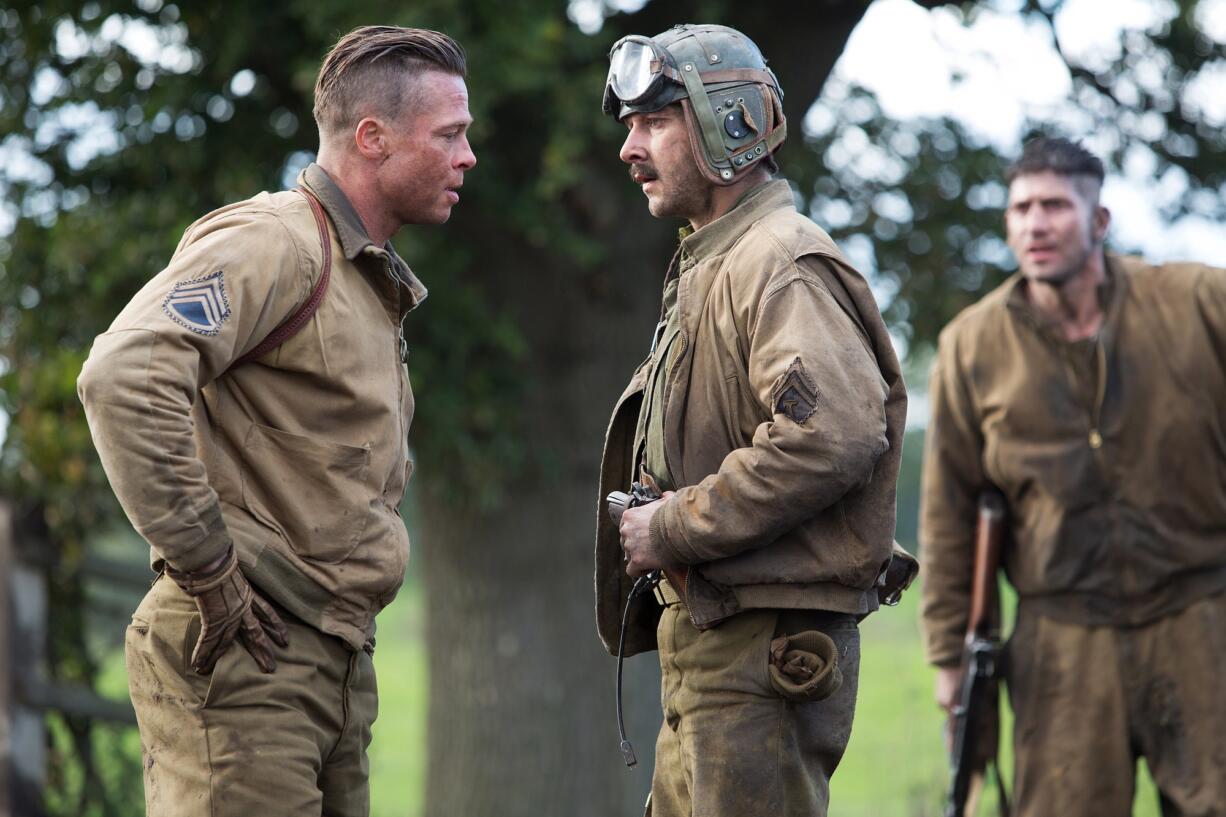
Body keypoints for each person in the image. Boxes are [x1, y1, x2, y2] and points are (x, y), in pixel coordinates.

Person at [77, 25, 475, 816]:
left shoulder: (363, 274)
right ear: (373, 137)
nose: (468, 156)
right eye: (451, 135)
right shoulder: (278, 243)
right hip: (243, 655)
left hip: (323, 662)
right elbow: (125, 375)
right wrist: (209, 568)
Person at [593, 23, 911, 817]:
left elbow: (831, 433)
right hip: (716, 647)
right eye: (630, 126)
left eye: (655, 121)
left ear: (729, 122)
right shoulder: (717, 260)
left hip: (759, 656)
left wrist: (673, 526)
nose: (631, 149)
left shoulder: (777, 259)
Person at [920, 136, 1226, 816]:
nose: (1036, 223)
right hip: (1062, 637)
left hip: (1202, 615)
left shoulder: (1199, 301)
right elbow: (947, 510)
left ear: (1099, 221)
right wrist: (948, 656)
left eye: (1056, 205)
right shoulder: (971, 345)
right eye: (1021, 207)